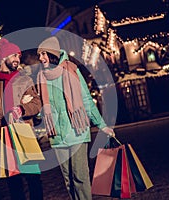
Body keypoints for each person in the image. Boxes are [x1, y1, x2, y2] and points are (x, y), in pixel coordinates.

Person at [36, 36, 115, 200]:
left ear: (52, 54)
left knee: (80, 177)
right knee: (68, 180)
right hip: (57, 135)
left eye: (44, 54)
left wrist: (101, 125)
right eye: (39, 55)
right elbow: (43, 109)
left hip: (76, 131)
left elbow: (86, 100)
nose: (41, 58)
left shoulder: (72, 70)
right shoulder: (41, 77)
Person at [0, 38, 43, 200]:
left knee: (34, 180)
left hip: (25, 136)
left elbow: (37, 103)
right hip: (4, 140)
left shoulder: (24, 79)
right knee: (14, 183)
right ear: (3, 58)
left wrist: (21, 109)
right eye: (13, 56)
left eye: (18, 56)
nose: (17, 59)